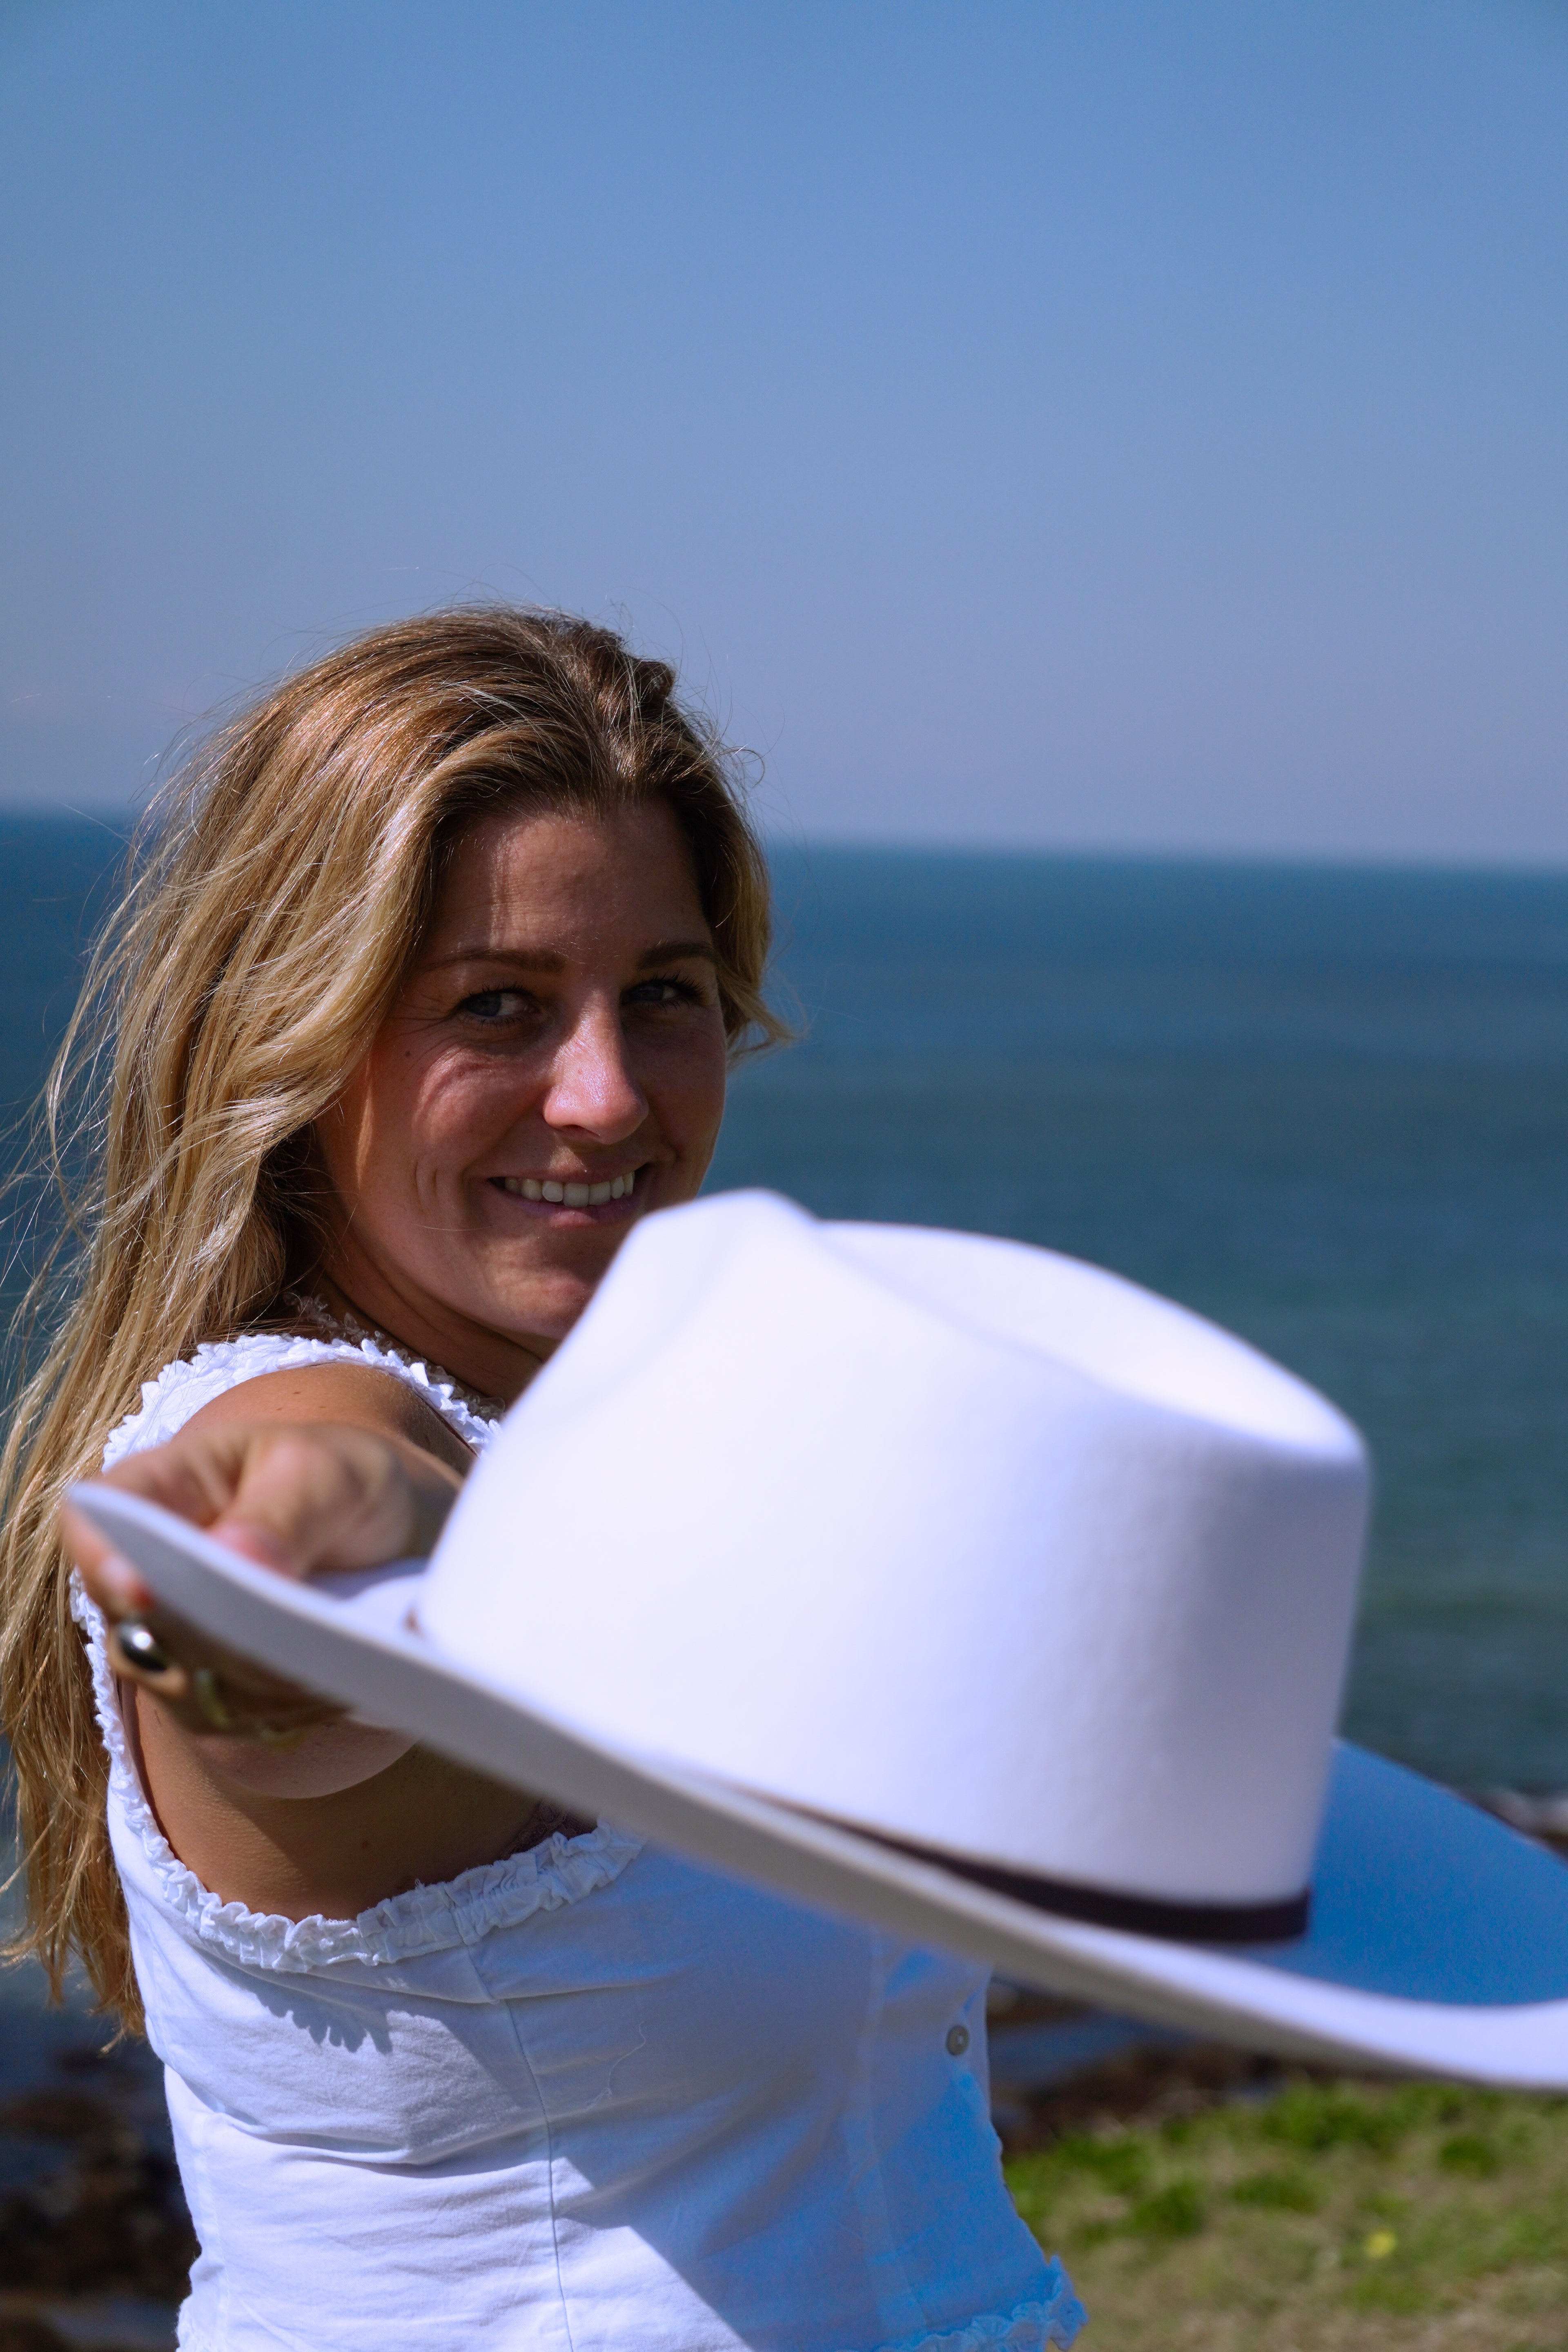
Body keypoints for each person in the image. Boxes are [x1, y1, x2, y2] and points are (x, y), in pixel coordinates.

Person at [2, 608, 1085, 2351]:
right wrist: (270, 1590)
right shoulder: (304, 1411)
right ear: (296, 1036)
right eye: (494, 1006)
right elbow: (322, 1512)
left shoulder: (650, 1433)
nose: (605, 1095)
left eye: (663, 995)